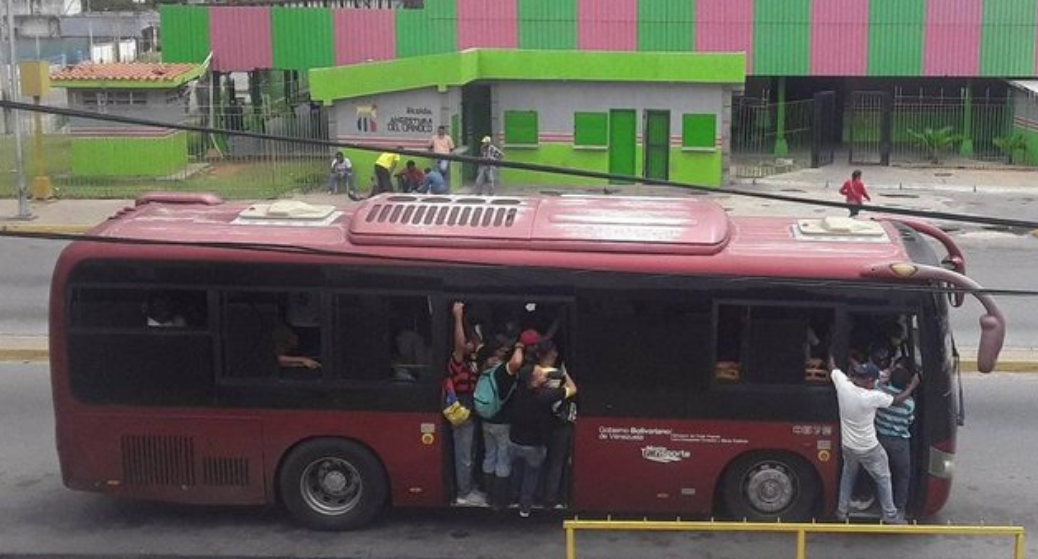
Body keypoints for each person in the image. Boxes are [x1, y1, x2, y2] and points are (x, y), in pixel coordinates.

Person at [830, 356, 919, 524]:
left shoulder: (844, 386)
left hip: (848, 446)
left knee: (848, 474)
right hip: (869, 448)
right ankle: (890, 515)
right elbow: (898, 400)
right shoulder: (872, 397)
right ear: (869, 381)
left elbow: (833, 367)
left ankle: (842, 511)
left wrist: (833, 352)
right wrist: (913, 386)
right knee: (884, 477)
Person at [509, 337, 577, 518]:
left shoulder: (519, 391)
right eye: (540, 374)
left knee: (517, 470)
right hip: (535, 443)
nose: (543, 374)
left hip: (515, 440)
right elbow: (572, 389)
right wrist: (564, 373)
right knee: (533, 473)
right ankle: (527, 506)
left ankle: (513, 496)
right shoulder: (545, 397)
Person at [477, 337, 524, 510]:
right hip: (503, 422)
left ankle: (488, 494)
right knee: (503, 459)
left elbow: (478, 343)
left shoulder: (484, 368)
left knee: (489, 455)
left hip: (486, 420)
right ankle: (499, 499)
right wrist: (519, 346)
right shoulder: (501, 371)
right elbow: (517, 363)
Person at [448, 302, 486, 506]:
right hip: (461, 406)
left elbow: (477, 342)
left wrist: (466, 321)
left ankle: (469, 486)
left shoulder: (473, 361)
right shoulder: (456, 361)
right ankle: (464, 493)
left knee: (471, 451)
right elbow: (460, 345)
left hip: (471, 405)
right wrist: (457, 317)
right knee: (464, 453)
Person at [876, 364, 917, 519]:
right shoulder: (910, 404)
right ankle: (899, 508)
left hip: (880, 440)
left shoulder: (879, 392)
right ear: (907, 385)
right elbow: (910, 421)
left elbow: (878, 382)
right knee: (902, 475)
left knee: (881, 474)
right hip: (900, 443)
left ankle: (882, 504)